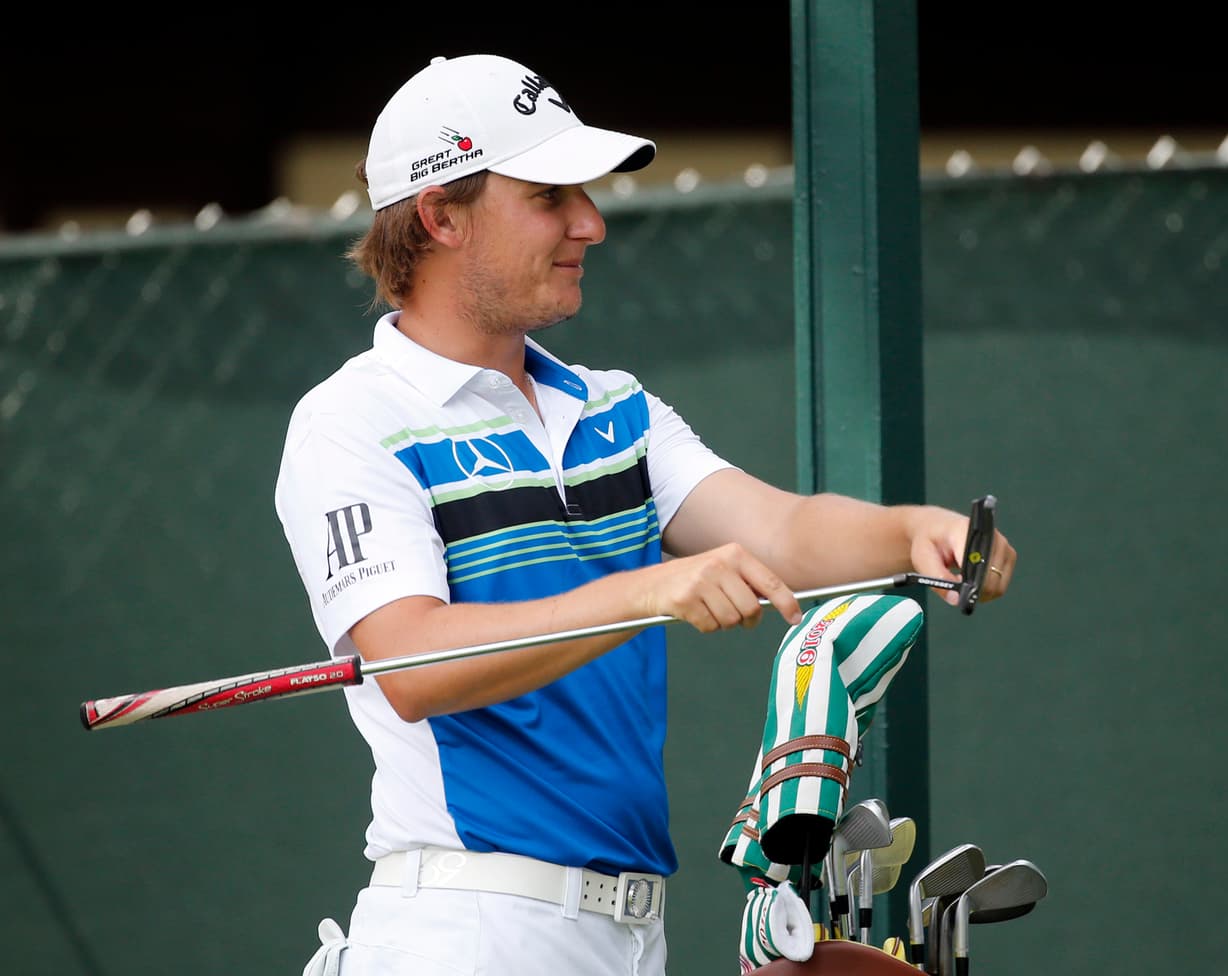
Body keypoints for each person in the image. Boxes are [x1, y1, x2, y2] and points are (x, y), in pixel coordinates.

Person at [275, 52, 1017, 976]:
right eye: (548, 195)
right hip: (466, 930)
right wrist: (651, 591)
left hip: (628, 935)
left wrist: (909, 533)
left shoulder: (613, 407)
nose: (589, 222)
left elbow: (780, 531)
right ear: (440, 216)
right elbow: (414, 664)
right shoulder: (352, 421)